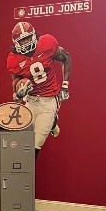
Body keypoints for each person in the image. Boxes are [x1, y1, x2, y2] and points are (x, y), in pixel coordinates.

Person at [7, 21, 72, 160]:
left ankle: (24, 178)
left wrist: (65, 85)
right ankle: (53, 122)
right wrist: (18, 93)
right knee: (23, 143)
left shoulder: (47, 44)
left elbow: (66, 58)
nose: (25, 42)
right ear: (15, 42)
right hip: (30, 100)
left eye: (28, 38)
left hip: (48, 100)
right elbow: (16, 81)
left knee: (34, 147)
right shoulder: (13, 59)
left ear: (34, 35)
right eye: (22, 40)